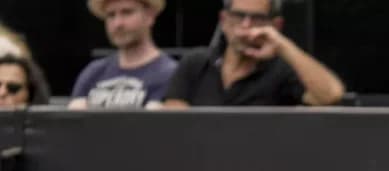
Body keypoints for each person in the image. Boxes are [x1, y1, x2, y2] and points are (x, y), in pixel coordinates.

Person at [163, 0, 344, 107]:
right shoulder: (196, 62)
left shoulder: (281, 71)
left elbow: (330, 96)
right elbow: (174, 123)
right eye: (239, 16)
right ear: (224, 20)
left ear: (276, 25)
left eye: (257, 18)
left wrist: (282, 45)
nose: (246, 26)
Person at [70, 0, 178, 109]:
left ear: (149, 16)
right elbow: (74, 121)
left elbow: (157, 123)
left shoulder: (170, 74)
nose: (118, 24)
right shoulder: (94, 72)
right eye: (111, 15)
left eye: (127, 12)